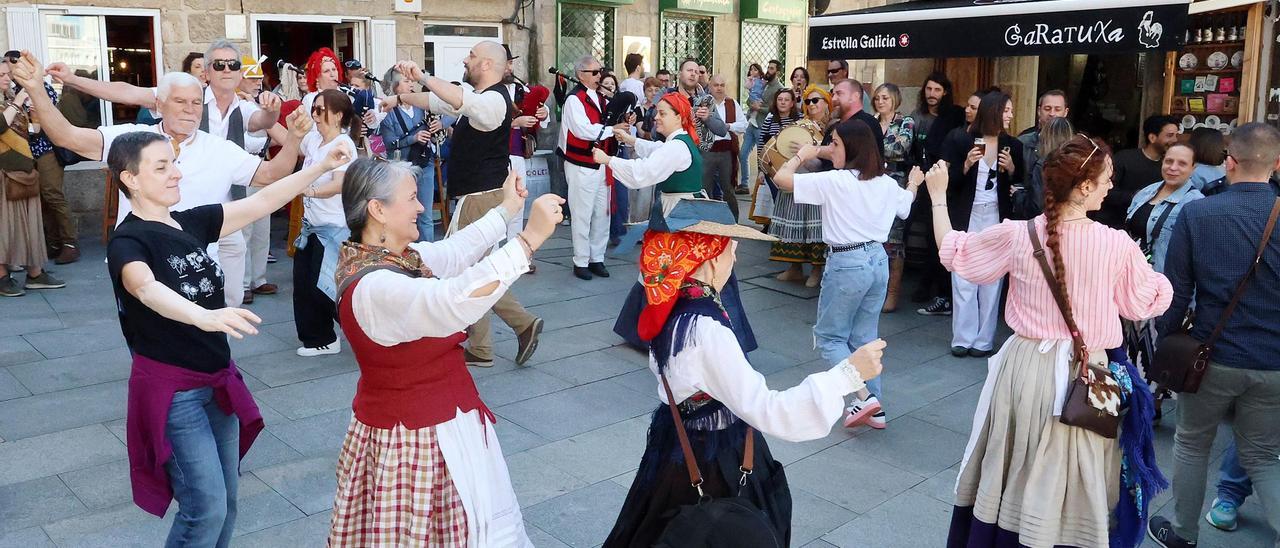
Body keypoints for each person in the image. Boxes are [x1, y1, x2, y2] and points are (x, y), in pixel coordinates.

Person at [104, 123, 346, 547]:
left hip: (217, 381)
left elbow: (267, 198)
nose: (176, 173)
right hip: (173, 393)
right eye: (162, 167)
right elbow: (144, 287)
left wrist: (321, 165)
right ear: (131, 179)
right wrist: (204, 317)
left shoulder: (190, 223)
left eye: (174, 164)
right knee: (205, 509)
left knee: (227, 503)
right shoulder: (127, 241)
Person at [602, 196, 887, 547]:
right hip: (713, 456)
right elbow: (768, 409)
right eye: (729, 250)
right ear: (706, 258)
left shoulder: (671, 305)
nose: (733, 258)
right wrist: (847, 374)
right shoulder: (705, 330)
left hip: (676, 445)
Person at [930, 134, 1173, 548]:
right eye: (1106, 180)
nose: (1111, 187)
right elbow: (1146, 302)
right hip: (1087, 373)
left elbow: (956, 252)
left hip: (1023, 367)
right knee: (1075, 472)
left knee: (1014, 462)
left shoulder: (1019, 233)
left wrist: (937, 197)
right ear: (1083, 187)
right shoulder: (1116, 244)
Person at [327, 154, 563, 546]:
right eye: (411, 198)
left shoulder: (393, 260)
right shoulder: (374, 286)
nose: (421, 206)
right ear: (377, 210)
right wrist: (529, 239)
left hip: (437, 421)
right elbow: (455, 301)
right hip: (414, 438)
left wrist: (507, 209)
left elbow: (455, 251)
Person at [45, 40, 287, 307]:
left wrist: (274, 113)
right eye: (219, 64)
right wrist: (73, 79)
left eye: (234, 65)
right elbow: (123, 92)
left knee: (228, 295)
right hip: (174, 207)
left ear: (241, 72)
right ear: (207, 71)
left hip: (221, 208)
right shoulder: (181, 92)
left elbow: (263, 124)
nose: (227, 70)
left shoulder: (243, 106)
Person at [1147, 122, 1280, 548]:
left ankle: (1183, 533)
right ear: (1276, 165)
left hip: (1210, 354)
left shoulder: (1198, 212)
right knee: (1261, 455)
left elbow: (1176, 291)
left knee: (1191, 444)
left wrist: (1165, 348)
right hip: (1273, 360)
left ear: (1230, 161)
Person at [385, 43, 545, 367]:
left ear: (486, 64)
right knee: (476, 270)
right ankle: (499, 337)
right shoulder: (483, 98)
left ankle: (497, 337)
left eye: (471, 56)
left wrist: (422, 75)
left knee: (466, 270)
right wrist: (399, 99)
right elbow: (442, 101)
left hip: (479, 198)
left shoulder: (494, 100)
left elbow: (457, 99)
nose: (464, 59)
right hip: (481, 196)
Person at [775, 118, 920, 430]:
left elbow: (781, 178)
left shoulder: (836, 181)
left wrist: (805, 154)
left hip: (847, 262)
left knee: (830, 338)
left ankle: (864, 396)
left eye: (836, 143)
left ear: (851, 149)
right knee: (864, 338)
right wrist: (914, 183)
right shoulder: (884, 182)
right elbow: (906, 206)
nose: (831, 149)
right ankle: (874, 406)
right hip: (878, 260)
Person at [602, 92, 759, 354]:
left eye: (663, 113)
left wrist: (608, 160)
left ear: (679, 117)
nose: (656, 118)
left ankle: (663, 333)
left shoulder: (677, 146)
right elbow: (658, 151)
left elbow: (644, 173)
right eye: (657, 112)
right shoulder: (681, 141)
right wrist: (632, 140)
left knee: (668, 270)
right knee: (690, 270)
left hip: (680, 214)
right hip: (685, 210)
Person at [1121, 143, 1202, 426]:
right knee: (1130, 344)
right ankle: (1131, 399)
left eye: (1182, 163)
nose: (1173, 167)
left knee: (1155, 346)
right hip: (1130, 281)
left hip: (1163, 285)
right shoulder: (1147, 191)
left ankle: (1148, 406)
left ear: (1193, 168)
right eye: (1169, 161)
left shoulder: (1195, 202)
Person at [942, 91, 1023, 358]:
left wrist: (1011, 169)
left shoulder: (1012, 144)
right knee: (962, 273)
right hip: (967, 214)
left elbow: (1020, 182)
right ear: (994, 112)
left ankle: (983, 340)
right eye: (1007, 110)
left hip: (996, 216)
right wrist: (965, 165)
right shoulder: (961, 138)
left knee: (993, 277)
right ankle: (962, 337)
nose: (1011, 115)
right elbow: (946, 180)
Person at [555, 55, 629, 280]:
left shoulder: (601, 97)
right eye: (595, 73)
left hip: (600, 164)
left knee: (602, 214)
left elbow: (609, 121)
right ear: (581, 75)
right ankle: (581, 261)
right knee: (582, 214)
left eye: (601, 71)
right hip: (581, 164)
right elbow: (583, 130)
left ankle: (597, 258)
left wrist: (625, 120)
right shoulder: (574, 100)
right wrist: (613, 129)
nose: (600, 76)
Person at [0, 62, 65, 296]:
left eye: (8, 74)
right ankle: (2, 277)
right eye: (1, 75)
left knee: (29, 225)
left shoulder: (8, 102)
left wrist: (35, 113)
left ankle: (35, 274)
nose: (7, 79)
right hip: (3, 174)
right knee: (4, 227)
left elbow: (32, 133)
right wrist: (18, 102)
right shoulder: (10, 104)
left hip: (24, 172)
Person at [910, 72, 965, 311]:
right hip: (919, 179)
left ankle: (939, 289)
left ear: (945, 93)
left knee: (941, 237)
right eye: (929, 89)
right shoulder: (916, 116)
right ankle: (926, 283)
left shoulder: (953, 116)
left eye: (937, 90)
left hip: (944, 183)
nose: (932, 94)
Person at [770, 85, 830, 288]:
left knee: (814, 228)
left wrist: (806, 156)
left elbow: (826, 162)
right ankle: (794, 269)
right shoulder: (798, 125)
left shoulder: (831, 128)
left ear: (826, 103)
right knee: (792, 224)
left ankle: (816, 270)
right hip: (794, 181)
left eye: (815, 100)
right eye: (807, 101)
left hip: (815, 182)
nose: (811, 105)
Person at [379, 67, 442, 243]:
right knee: (400, 214)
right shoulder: (387, 111)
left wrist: (440, 124)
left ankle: (428, 259)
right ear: (395, 86)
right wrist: (413, 138)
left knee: (425, 215)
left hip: (423, 164)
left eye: (411, 81)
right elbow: (389, 143)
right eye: (406, 81)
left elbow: (452, 111)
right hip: (401, 169)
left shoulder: (421, 106)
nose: (411, 84)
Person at [872, 83, 915, 313]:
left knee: (894, 241)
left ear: (895, 99)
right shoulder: (872, 121)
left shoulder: (905, 122)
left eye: (885, 98)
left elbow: (900, 148)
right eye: (877, 98)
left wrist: (873, 148)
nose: (880, 102)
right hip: (871, 185)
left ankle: (892, 293)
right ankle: (874, 292)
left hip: (895, 185)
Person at [1102, 114, 1179, 228]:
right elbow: (1106, 191)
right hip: (1115, 227)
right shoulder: (1124, 159)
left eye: (1176, 135)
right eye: (1170, 135)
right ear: (1152, 138)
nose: (1175, 140)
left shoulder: (1169, 167)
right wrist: (1136, 196)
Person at [750, 88, 800, 228]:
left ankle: (790, 229)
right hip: (772, 169)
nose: (783, 102)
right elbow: (761, 145)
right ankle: (778, 229)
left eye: (786, 100)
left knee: (792, 201)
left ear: (792, 103)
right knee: (777, 199)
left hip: (794, 169)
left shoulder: (799, 119)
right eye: (780, 99)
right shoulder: (769, 120)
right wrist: (761, 169)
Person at [703, 74, 747, 219]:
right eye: (716, 85)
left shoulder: (732, 103)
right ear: (710, 87)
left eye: (722, 85)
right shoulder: (704, 104)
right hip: (708, 150)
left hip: (727, 151)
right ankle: (707, 220)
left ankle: (733, 220)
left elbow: (743, 125)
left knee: (728, 187)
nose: (719, 88)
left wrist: (728, 126)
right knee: (705, 187)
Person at [1014, 116, 1073, 220]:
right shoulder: (1077, 165)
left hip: (1045, 224)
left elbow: (1035, 207)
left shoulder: (1043, 166)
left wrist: (1018, 195)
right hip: (1070, 220)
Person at [742, 60, 783, 193]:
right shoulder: (761, 82)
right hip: (752, 123)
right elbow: (750, 97)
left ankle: (760, 189)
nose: (768, 71)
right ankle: (744, 184)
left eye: (771, 68)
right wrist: (751, 104)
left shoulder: (778, 88)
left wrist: (760, 108)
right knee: (743, 154)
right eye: (768, 68)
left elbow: (774, 108)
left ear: (777, 72)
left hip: (762, 125)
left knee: (761, 157)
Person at [1016, 90, 1070, 173]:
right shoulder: (1023, 142)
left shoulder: (1073, 145)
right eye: (1047, 109)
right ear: (1039, 111)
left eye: (1057, 109)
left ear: (1065, 112)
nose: (1052, 114)